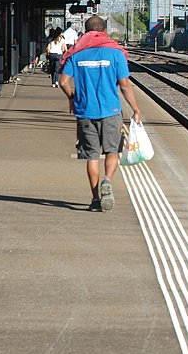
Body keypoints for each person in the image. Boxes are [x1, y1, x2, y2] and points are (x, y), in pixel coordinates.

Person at [58, 15, 141, 212]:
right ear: (104, 31)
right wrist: (136, 109)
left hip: (85, 111)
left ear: (86, 32)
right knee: (113, 151)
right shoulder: (116, 54)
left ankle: (95, 199)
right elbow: (125, 85)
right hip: (111, 110)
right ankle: (107, 180)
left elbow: (62, 82)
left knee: (92, 157)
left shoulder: (76, 54)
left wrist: (72, 97)